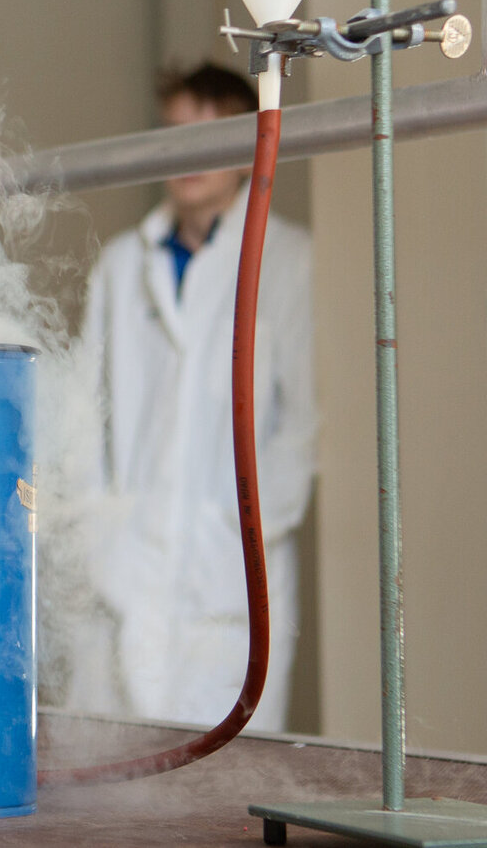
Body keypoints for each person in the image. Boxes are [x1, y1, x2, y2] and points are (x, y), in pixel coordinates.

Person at [70, 63, 315, 731]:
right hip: (124, 570)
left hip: (229, 580)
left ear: (248, 151)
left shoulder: (290, 261)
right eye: (175, 133)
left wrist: (233, 528)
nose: (189, 154)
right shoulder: (123, 263)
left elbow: (309, 426)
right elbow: (84, 413)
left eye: (209, 135)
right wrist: (100, 528)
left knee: (223, 795)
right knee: (113, 786)